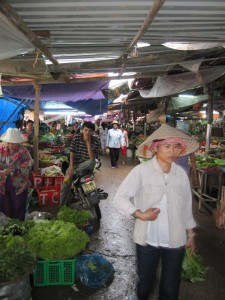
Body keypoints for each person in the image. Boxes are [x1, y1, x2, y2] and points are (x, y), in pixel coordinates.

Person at [113, 124, 199, 300]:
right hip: (147, 240)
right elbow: (119, 199)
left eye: (176, 147)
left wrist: (190, 235)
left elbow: (186, 207)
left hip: (175, 241)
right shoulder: (141, 172)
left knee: (170, 286)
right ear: (155, 148)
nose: (173, 151)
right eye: (167, 146)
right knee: (144, 283)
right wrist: (140, 214)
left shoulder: (181, 174)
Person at [60, 121, 101, 206]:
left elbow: (92, 158)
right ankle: (62, 207)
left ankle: (74, 172)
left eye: (90, 131)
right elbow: (72, 152)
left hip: (87, 166)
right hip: (75, 165)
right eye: (86, 130)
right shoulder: (77, 137)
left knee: (92, 161)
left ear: (93, 132)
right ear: (82, 130)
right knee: (65, 186)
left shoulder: (96, 140)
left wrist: (88, 142)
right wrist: (71, 167)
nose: (87, 132)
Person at [0, 128, 34, 221]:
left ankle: (18, 227)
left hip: (19, 185)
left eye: (13, 143)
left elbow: (28, 165)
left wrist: (11, 170)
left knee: (18, 206)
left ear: (18, 142)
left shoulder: (23, 152)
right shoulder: (1, 149)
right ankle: (7, 226)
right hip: (3, 184)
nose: (10, 145)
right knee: (5, 207)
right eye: (8, 142)